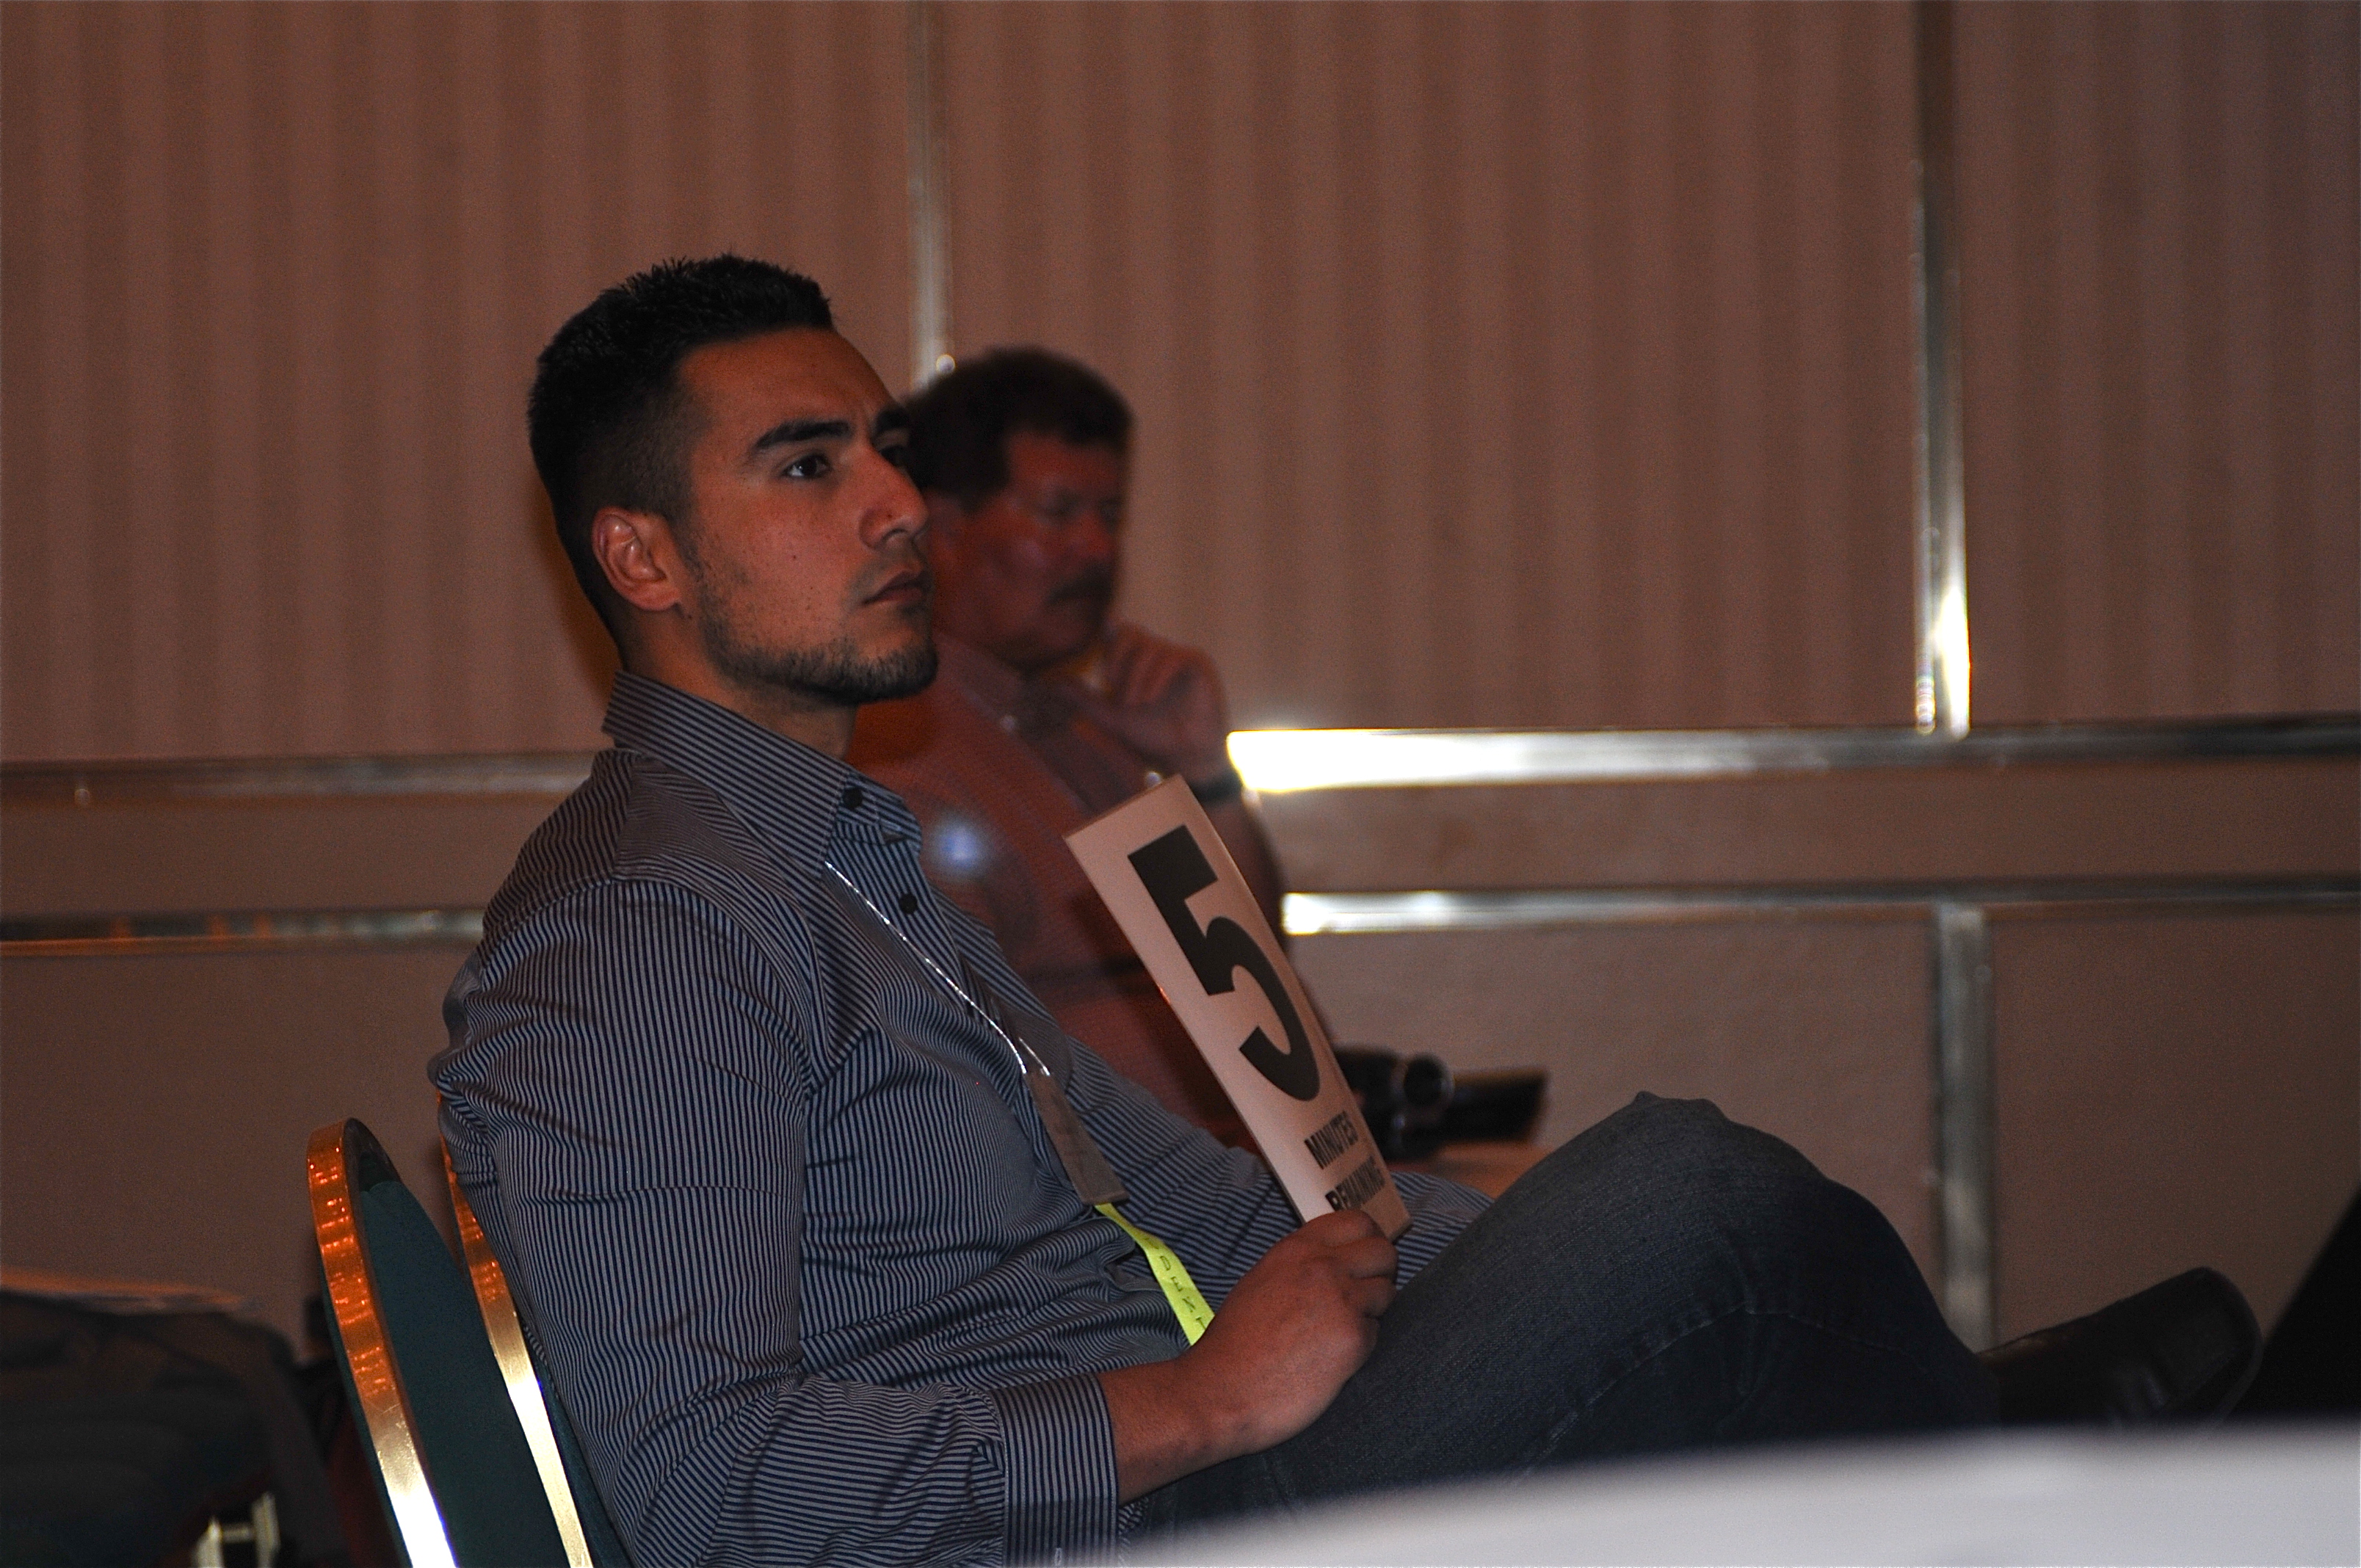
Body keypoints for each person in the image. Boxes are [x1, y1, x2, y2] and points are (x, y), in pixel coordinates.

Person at [434, 255, 1992, 1568]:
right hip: (1119, 1520)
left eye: (888, 451)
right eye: (808, 466)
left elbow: (1226, 1215)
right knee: (1694, 1199)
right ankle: (2053, 1476)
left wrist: (1511, 1271)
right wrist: (1197, 1406)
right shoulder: (640, 929)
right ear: (642, 555)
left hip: (1193, 1471)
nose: (900, 504)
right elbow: (699, 1484)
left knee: (1669, 1252)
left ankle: (2044, 1471)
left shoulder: (835, 861)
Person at [849, 349, 1275, 1144]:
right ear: (942, 529)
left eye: (1109, 515)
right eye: (1057, 512)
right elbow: (961, 1072)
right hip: (1120, 1206)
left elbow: (1253, 969)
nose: (1097, 549)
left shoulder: (1090, 730)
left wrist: (1203, 772)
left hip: (1262, 1171)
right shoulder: (891, 753)